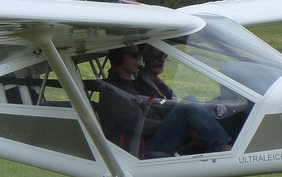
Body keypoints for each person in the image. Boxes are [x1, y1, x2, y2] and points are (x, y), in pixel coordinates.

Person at [97, 46, 231, 158]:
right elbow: (139, 124)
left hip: (150, 141)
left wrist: (185, 124)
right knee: (188, 108)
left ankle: (224, 143)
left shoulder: (133, 85)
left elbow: (158, 108)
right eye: (134, 55)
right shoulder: (111, 92)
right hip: (139, 150)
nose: (139, 60)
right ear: (118, 57)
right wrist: (180, 127)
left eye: (140, 56)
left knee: (193, 102)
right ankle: (222, 147)